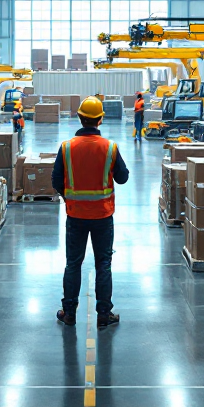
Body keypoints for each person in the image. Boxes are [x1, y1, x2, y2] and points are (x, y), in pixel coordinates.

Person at [51, 96, 129, 328]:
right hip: (103, 216)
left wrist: (69, 198)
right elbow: (123, 178)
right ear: (100, 119)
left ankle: (69, 313)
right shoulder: (110, 148)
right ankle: (104, 314)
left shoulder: (66, 147)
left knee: (73, 264)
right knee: (103, 264)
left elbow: (56, 181)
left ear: (79, 117)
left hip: (75, 215)